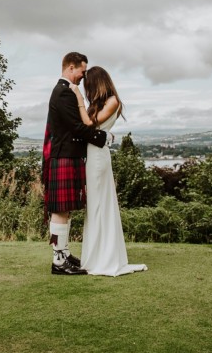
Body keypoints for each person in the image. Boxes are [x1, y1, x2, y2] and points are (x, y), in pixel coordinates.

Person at [69, 66, 148, 276]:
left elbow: (89, 123)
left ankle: (103, 257)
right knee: (95, 206)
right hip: (93, 154)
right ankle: (96, 255)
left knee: (99, 205)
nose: (86, 89)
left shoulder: (113, 100)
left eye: (89, 85)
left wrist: (77, 97)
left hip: (98, 158)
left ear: (97, 82)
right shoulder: (99, 103)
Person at [42, 52, 112, 275]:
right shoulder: (63, 92)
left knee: (65, 210)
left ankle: (63, 253)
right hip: (64, 156)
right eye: (82, 71)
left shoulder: (66, 91)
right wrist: (103, 138)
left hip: (67, 155)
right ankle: (58, 261)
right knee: (60, 210)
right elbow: (76, 128)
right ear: (71, 68)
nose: (84, 76)